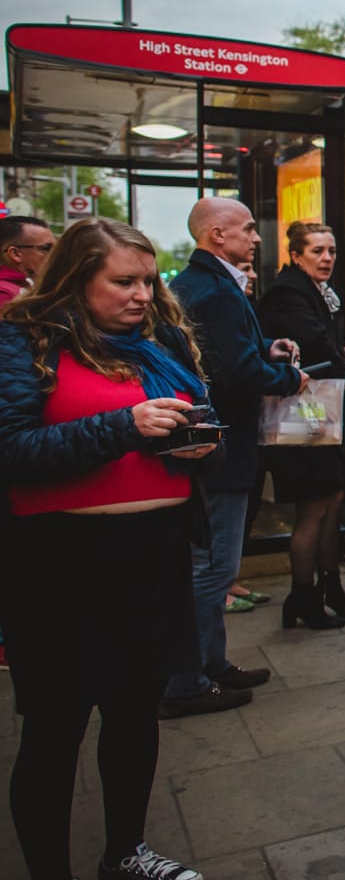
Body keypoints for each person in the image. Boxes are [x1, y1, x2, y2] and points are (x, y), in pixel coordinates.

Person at [0, 218, 215, 880]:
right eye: (123, 280)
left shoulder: (163, 340)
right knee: (55, 728)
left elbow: (197, 417)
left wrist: (200, 443)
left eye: (147, 280)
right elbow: (13, 451)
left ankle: (125, 851)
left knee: (133, 714)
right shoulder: (25, 338)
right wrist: (122, 425)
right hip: (61, 561)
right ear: (75, 276)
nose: (142, 294)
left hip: (152, 554)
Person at [158, 198, 306, 718]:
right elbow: (235, 374)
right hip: (219, 449)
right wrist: (290, 377)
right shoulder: (215, 291)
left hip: (214, 446)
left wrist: (265, 348)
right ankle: (186, 680)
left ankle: (211, 663)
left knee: (214, 564)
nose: (256, 237)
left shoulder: (205, 284)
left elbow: (229, 353)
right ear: (217, 235)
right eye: (246, 229)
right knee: (213, 567)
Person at [257, 221, 345, 631]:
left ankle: (329, 590)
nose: (327, 258)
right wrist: (341, 364)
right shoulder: (289, 291)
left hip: (317, 412)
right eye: (317, 250)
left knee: (331, 501)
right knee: (314, 508)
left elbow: (318, 344)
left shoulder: (313, 292)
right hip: (303, 416)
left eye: (331, 251)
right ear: (296, 255)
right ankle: (303, 596)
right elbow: (310, 342)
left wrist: (340, 355)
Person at [0, 214, 55, 307]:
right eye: (47, 248)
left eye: (56, 248)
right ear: (15, 254)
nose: (55, 254)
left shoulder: (28, 286)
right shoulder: (4, 294)